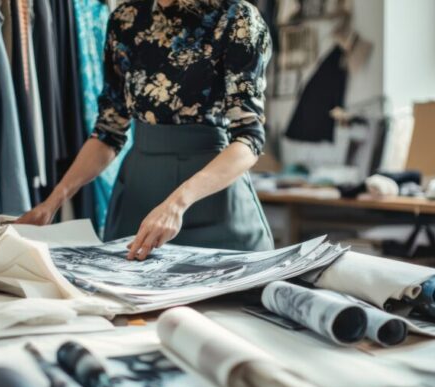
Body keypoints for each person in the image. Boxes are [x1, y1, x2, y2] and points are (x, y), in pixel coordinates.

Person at [17, 0, 274, 260]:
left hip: (214, 199)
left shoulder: (236, 17)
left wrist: (177, 203)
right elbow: (109, 131)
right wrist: (52, 203)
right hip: (138, 205)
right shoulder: (124, 19)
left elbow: (249, 139)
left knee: (231, 300)